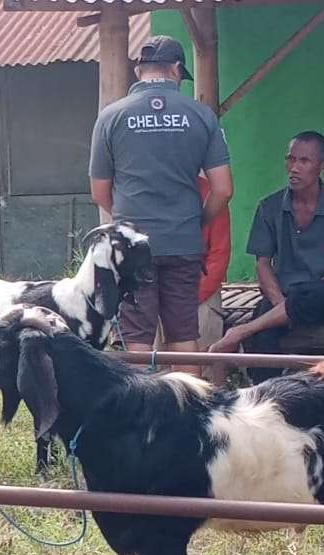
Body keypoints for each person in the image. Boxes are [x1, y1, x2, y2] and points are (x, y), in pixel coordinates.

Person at [90, 35, 234, 374]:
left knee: (137, 338)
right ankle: (185, 417)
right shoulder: (202, 116)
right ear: (176, 69)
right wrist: (196, 223)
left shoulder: (110, 117)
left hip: (133, 246)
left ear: (140, 70)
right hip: (184, 243)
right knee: (183, 335)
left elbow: (99, 192)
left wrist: (129, 222)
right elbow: (224, 189)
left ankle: (140, 420)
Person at [208, 130, 324, 383]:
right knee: (260, 336)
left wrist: (303, 297)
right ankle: (265, 395)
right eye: (290, 159)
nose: (294, 168)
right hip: (282, 293)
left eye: (304, 161)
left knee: (321, 293)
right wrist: (281, 304)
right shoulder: (269, 207)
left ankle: (239, 331)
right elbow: (263, 264)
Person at [154, 173, 231, 383]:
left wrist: (187, 298)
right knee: (152, 367)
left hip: (200, 289)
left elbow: (220, 254)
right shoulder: (146, 190)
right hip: (155, 288)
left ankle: (203, 402)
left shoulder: (213, 192)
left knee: (203, 333)